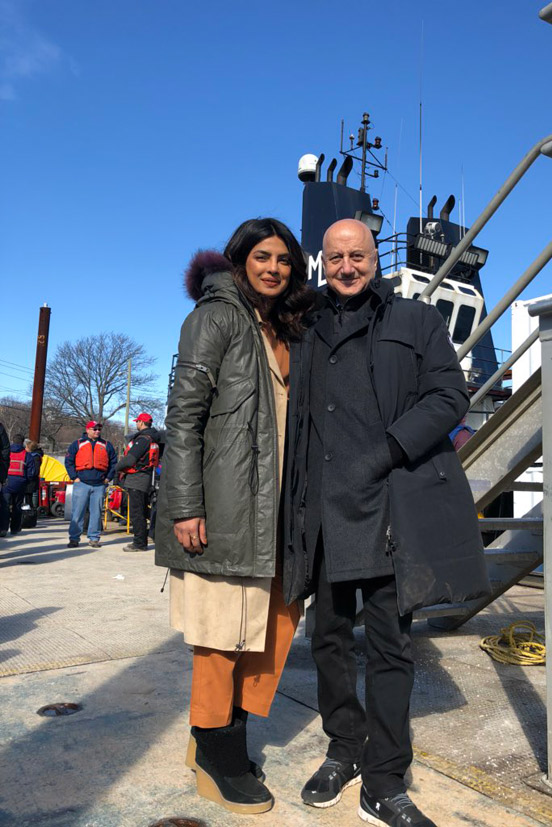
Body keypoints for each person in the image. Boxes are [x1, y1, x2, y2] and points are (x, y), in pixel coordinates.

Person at [283, 218, 490, 827]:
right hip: (322, 506)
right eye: (337, 256)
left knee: (391, 645)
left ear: (375, 258)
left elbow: (450, 396)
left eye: (359, 255)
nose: (348, 266)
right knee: (326, 639)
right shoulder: (306, 325)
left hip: (386, 501)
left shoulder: (417, 320)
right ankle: (345, 748)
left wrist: (387, 451)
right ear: (324, 262)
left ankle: (385, 778)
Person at [155, 218, 314, 815]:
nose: (274, 268)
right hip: (224, 506)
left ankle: (217, 741)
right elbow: (183, 418)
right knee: (221, 635)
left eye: (284, 260)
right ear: (239, 260)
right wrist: (186, 506)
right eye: (262, 257)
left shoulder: (287, 327)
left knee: (271, 632)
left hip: (278, 513)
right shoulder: (214, 317)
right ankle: (218, 755)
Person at [65, 421, 117, 549]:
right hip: (81, 483)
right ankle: (74, 538)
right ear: (87, 430)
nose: (97, 431)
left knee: (96, 513)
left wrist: (108, 478)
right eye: (94, 429)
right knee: (77, 512)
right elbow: (69, 461)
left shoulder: (106, 445)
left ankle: (94, 538)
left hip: (99, 485)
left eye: (99, 429)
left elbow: (114, 463)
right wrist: (74, 477)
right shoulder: (77, 444)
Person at [115, 412, 161, 552]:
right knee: (142, 510)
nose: (136, 424)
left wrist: (116, 469)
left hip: (137, 479)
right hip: (146, 478)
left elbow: (130, 459)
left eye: (137, 422)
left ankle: (139, 543)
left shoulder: (142, 439)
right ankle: (148, 536)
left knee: (137, 512)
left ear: (141, 422)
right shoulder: (153, 438)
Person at [0, 433, 37, 536]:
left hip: (6, 482)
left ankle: (3, 529)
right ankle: (15, 528)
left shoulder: (6, 453)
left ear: (12, 441)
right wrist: (26, 481)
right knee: (17, 506)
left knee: (4, 506)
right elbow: (31, 471)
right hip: (20, 482)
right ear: (22, 442)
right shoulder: (27, 455)